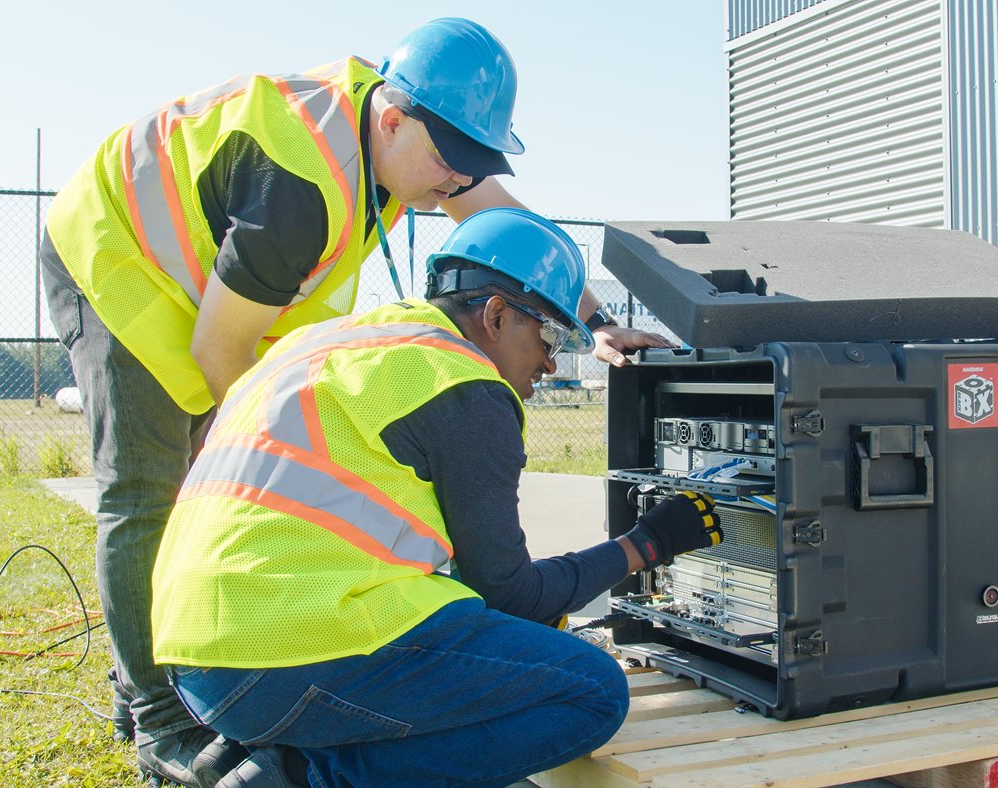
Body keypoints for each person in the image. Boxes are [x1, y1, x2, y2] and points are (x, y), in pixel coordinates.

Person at [40, 17, 669, 787]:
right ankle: (163, 723)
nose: (456, 184)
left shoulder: (411, 133)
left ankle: (211, 687)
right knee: (145, 492)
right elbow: (220, 353)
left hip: (217, 647)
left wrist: (597, 322)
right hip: (118, 259)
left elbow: (504, 223)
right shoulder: (303, 186)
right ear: (393, 122)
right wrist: (259, 468)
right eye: (451, 166)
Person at [149, 207, 720, 787]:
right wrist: (648, 543)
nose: (551, 362)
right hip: (281, 658)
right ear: (495, 315)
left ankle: (250, 750)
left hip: (194, 656)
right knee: (590, 691)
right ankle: (303, 776)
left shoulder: (334, 342)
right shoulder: (462, 384)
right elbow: (513, 594)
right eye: (549, 336)